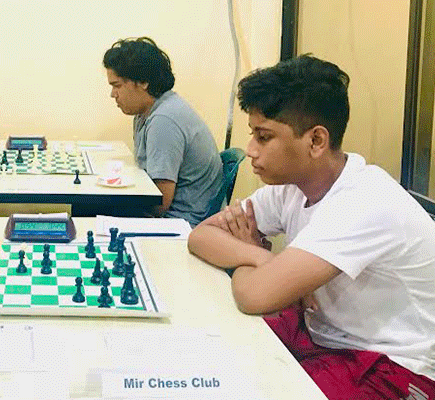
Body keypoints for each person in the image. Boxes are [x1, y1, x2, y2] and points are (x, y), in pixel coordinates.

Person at [188, 55, 435, 399]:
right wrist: (261, 258)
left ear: (316, 141)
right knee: (209, 353)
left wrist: (255, 254)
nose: (251, 150)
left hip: (391, 366)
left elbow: (255, 296)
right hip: (322, 338)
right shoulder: (292, 186)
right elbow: (201, 236)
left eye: (264, 137)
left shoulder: (364, 200)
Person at [102, 37, 222, 225]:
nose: (113, 94)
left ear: (143, 82)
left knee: (90, 211)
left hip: (180, 222)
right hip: (176, 216)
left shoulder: (164, 120)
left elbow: (159, 203)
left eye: (117, 86)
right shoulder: (147, 112)